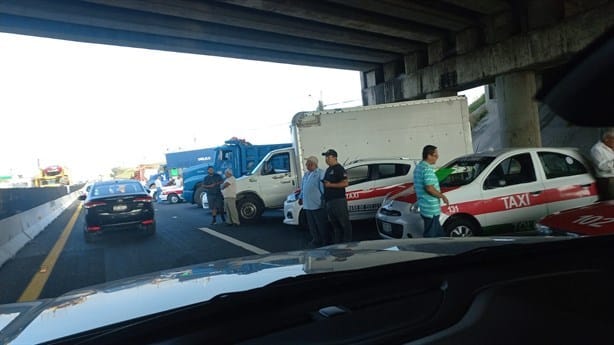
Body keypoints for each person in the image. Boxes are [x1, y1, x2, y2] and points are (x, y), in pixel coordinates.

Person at [414, 145, 449, 237]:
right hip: (431, 209)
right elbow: (429, 188)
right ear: (429, 156)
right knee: (430, 236)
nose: (437, 157)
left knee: (439, 234)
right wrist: (442, 196)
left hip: (424, 207)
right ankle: (427, 250)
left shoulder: (418, 167)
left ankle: (445, 247)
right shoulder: (427, 169)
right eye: (436, 155)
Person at [321, 149, 352, 243]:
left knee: (344, 223)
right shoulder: (328, 169)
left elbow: (345, 183)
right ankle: (338, 244)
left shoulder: (339, 169)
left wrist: (330, 185)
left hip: (338, 201)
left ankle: (348, 244)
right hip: (329, 201)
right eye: (325, 157)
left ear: (334, 157)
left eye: (328, 157)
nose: (326, 159)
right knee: (335, 225)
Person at [298, 156, 329, 247]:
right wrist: (301, 197)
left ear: (312, 164)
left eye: (307, 163)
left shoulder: (320, 173)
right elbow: (303, 188)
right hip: (307, 205)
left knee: (321, 224)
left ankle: (325, 240)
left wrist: (324, 201)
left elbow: (323, 189)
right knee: (312, 225)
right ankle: (316, 239)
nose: (306, 165)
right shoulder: (306, 175)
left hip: (317, 204)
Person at [590, 128, 614, 200]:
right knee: (611, 202)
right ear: (607, 139)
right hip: (608, 180)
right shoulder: (597, 149)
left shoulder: (611, 147)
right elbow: (602, 166)